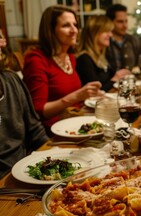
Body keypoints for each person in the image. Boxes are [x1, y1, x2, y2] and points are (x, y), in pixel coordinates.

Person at [23, 5, 103, 133]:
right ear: (50, 30)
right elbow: (39, 110)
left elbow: (73, 98)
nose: (74, 30)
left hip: (76, 123)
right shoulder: (36, 60)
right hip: (52, 131)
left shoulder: (70, 57)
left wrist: (91, 96)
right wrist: (76, 96)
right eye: (66, 25)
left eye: (75, 25)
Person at [0, 37, 48, 178]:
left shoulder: (11, 80)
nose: (3, 43)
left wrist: (58, 155)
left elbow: (35, 132)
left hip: (25, 171)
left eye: (1, 37)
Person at [76, 15, 131, 92]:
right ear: (94, 33)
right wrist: (115, 79)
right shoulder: (84, 59)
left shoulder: (102, 55)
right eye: (106, 31)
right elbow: (94, 92)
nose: (110, 35)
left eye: (110, 31)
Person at [105, 3, 141, 71]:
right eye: (120, 22)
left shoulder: (135, 41)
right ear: (110, 22)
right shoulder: (105, 43)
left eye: (126, 21)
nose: (125, 25)